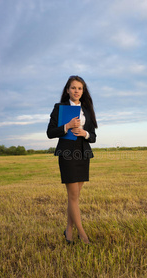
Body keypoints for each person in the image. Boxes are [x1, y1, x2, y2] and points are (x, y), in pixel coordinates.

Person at [47, 75, 97, 245]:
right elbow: (50, 133)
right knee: (73, 196)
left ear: (83, 91)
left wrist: (86, 133)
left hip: (83, 153)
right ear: (67, 90)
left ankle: (68, 230)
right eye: (73, 88)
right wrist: (67, 126)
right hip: (67, 153)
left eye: (80, 88)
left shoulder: (87, 110)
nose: (76, 91)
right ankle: (82, 235)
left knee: (74, 197)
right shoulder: (60, 108)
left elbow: (94, 136)